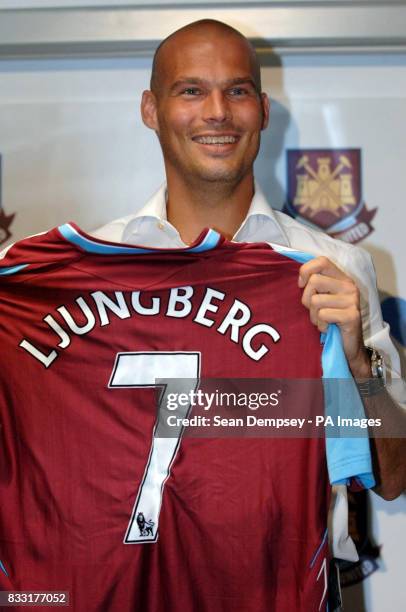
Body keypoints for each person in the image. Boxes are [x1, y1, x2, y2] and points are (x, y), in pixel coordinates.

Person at [93, 19, 406, 501]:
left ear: (261, 110)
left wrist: (358, 368)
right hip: (139, 575)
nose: (217, 113)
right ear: (151, 109)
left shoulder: (334, 266)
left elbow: (394, 479)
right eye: (192, 90)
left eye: (237, 91)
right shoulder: (95, 266)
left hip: (297, 574)